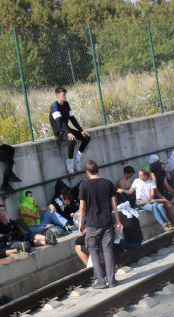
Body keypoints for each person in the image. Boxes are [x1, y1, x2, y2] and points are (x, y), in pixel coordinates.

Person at [77, 160, 123, 288]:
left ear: (87, 172)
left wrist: (81, 224)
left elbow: (82, 208)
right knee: (108, 251)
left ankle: (101, 282)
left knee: (94, 251)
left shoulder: (84, 185)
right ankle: (112, 280)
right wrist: (118, 220)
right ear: (98, 169)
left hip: (91, 224)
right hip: (107, 222)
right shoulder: (107, 183)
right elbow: (114, 203)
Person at [50, 87, 91, 173]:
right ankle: (70, 162)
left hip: (66, 129)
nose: (65, 97)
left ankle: (77, 160)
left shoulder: (66, 104)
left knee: (86, 137)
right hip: (59, 131)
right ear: (58, 95)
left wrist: (81, 130)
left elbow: (72, 118)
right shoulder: (54, 106)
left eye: (65, 95)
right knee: (72, 140)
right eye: (63, 95)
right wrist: (68, 132)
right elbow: (59, 122)